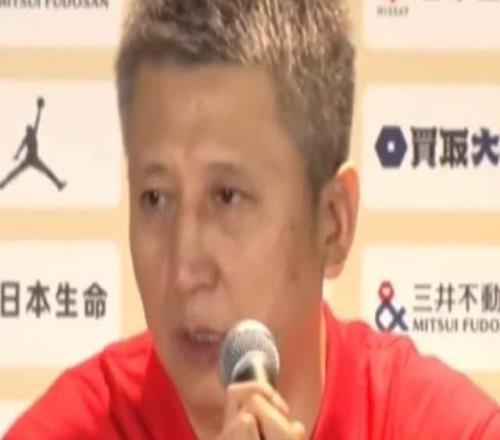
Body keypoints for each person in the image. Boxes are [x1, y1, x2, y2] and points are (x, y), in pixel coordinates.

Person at [6, 0, 500, 438]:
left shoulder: (443, 427)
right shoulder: (69, 429)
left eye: (227, 197)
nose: (184, 271)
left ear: (333, 223)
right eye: (155, 199)